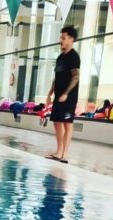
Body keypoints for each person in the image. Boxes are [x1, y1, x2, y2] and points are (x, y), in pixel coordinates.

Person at [46, 26, 80, 163]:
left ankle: (65, 154)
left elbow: (76, 77)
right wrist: (50, 94)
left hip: (69, 96)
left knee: (67, 123)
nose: (61, 40)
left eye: (64, 38)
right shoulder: (60, 57)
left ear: (71, 39)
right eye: (61, 38)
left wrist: (66, 93)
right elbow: (57, 77)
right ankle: (59, 150)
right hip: (58, 95)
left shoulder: (74, 57)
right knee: (56, 122)